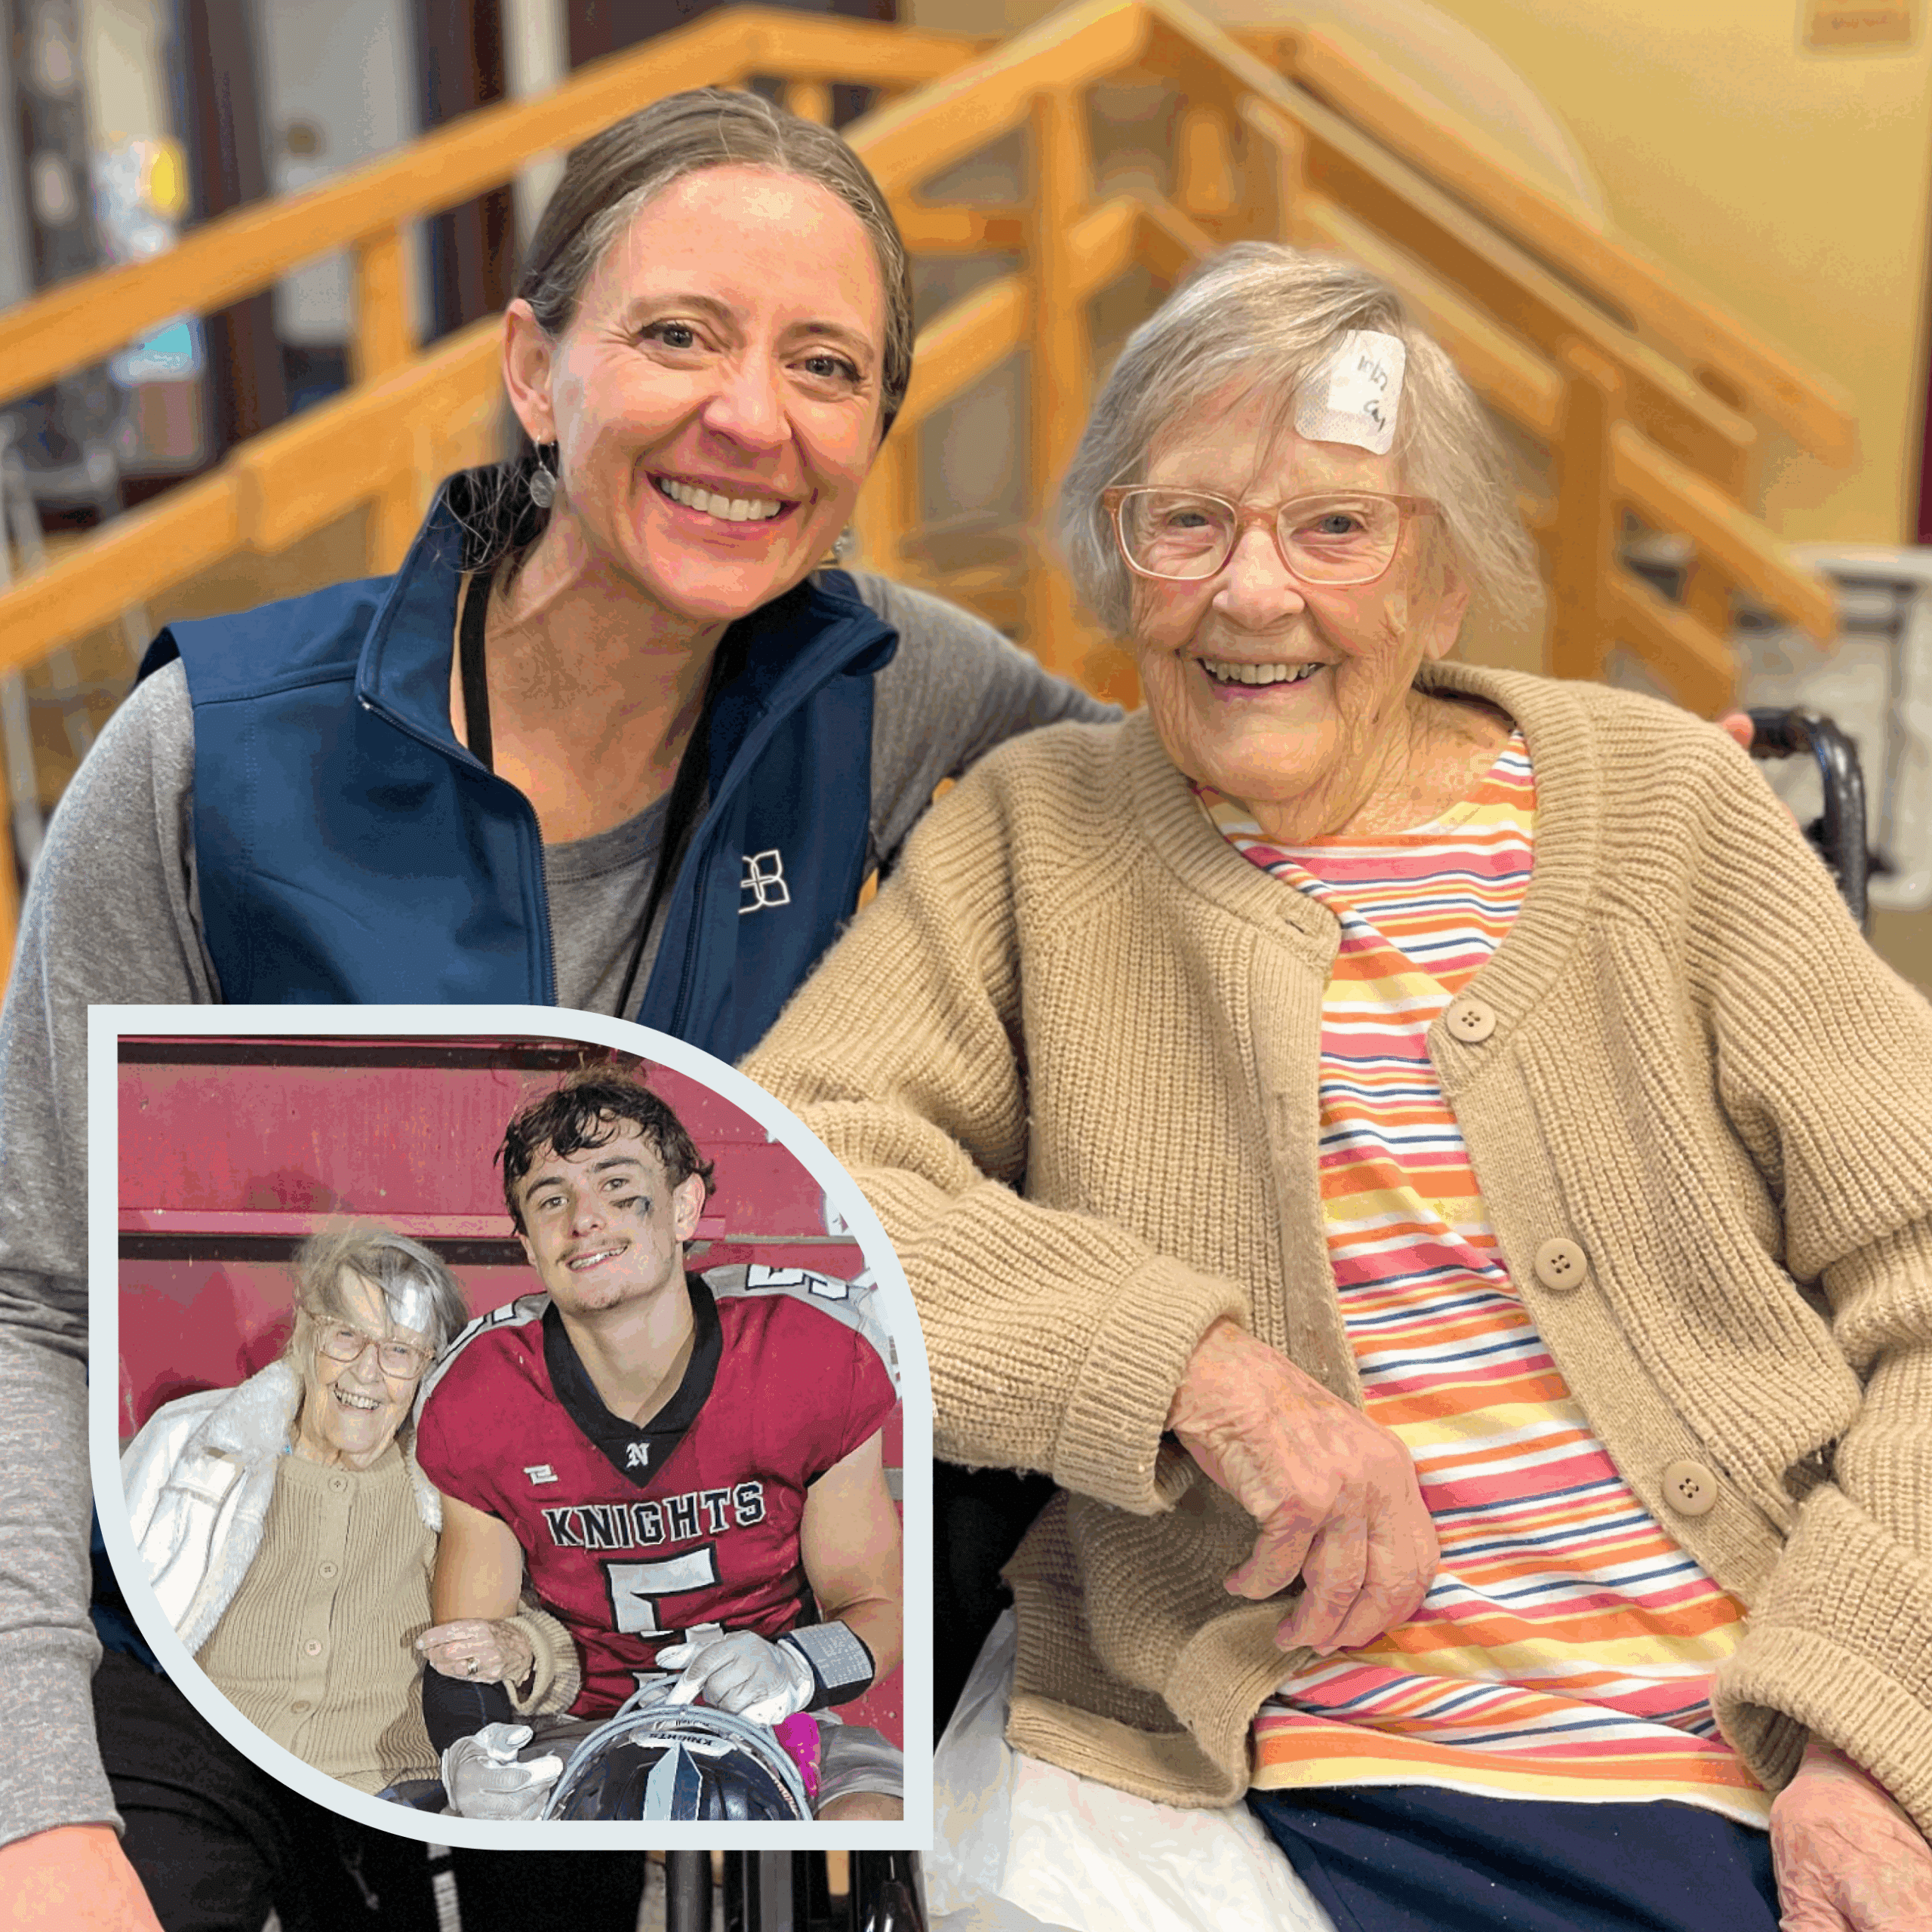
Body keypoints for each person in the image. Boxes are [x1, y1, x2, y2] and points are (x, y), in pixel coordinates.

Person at [0, 87, 1109, 1931]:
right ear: (534, 365)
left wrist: (1534, 754)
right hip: (237, 1645)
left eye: (824, 367)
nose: (749, 415)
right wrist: (34, 1802)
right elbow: (30, 1302)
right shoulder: (211, 755)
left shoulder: (908, 698)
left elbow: (1227, 806)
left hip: (703, 1636)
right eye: (677, 333)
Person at [744, 242, 1932, 1932]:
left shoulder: (1667, 805)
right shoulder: (1036, 836)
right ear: (1116, 559)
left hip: (1750, 1734)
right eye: (1187, 523)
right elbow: (798, 1179)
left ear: (1439, 582)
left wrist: (1869, 1722)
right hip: (1283, 1752)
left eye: (1335, 527)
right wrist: (1197, 1370)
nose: (1251, 593)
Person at [411, 1072, 904, 1824]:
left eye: (617, 1185)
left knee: (870, 1824)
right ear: (528, 1245)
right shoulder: (482, 1393)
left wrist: (793, 1667)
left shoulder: (806, 1353)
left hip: (782, 1720)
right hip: (577, 1730)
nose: (585, 1219)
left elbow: (879, 1606)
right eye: (552, 1199)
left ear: (684, 1205)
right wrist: (473, 1749)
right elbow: (467, 1646)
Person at [108, 1225, 476, 1931]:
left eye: (399, 1350)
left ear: (430, 1369)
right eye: (347, 1336)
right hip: (208, 1775)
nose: (368, 1372)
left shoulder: (451, 1487)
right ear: (307, 1331)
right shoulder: (188, 1444)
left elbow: (532, 1634)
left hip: (387, 1796)